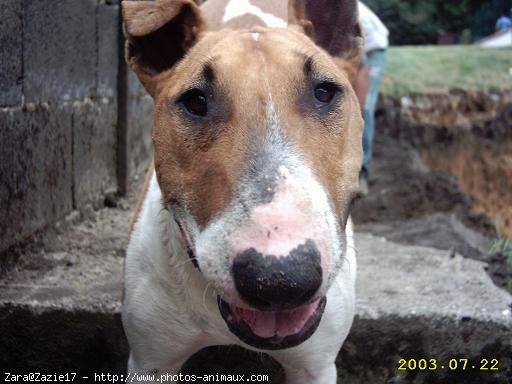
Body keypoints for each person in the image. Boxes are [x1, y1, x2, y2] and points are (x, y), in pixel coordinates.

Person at [356, 2, 389, 196]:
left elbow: (359, 61)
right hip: (353, 49)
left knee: (364, 107)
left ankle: (362, 174)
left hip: (371, 49)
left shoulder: (339, 8)